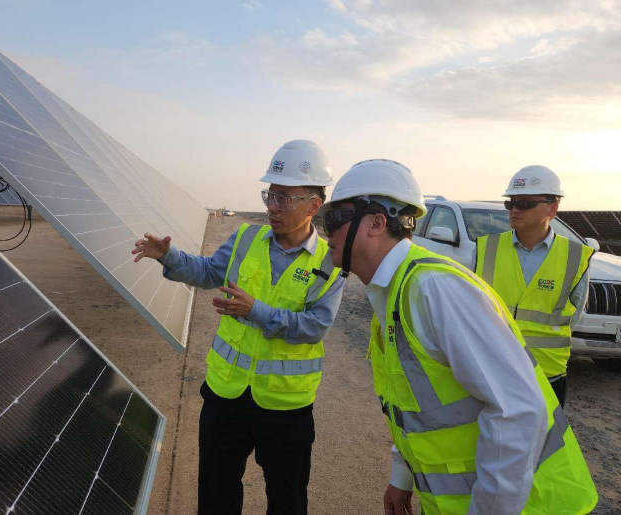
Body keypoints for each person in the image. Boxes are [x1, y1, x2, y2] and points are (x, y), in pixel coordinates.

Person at [320, 159, 597, 514]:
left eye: (333, 220)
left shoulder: (433, 289)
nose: (326, 232)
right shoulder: (394, 294)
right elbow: (418, 411)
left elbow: (517, 411)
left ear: (376, 222)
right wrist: (402, 477)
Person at [132, 140, 344, 515]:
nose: (273, 207)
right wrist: (170, 257)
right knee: (216, 490)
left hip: (285, 404)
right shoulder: (246, 238)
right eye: (270, 195)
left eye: (285, 199)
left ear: (314, 206)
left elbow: (314, 327)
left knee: (287, 498)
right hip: (225, 393)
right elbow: (210, 272)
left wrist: (254, 310)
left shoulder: (330, 263)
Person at [474, 166, 593, 408]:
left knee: (543, 444)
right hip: (493, 369)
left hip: (547, 374)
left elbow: (574, 315)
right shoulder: (487, 248)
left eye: (525, 202)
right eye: (511, 202)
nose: (515, 209)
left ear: (553, 207)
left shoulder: (575, 256)